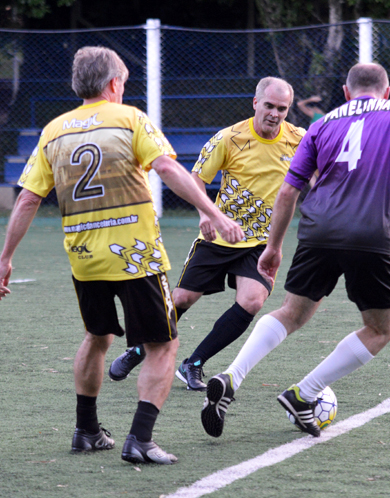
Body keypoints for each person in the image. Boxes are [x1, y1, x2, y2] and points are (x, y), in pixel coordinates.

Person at [0, 46, 243, 464]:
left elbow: (27, 201)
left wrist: (5, 260)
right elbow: (167, 169)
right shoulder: (130, 120)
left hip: (84, 257)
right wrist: (211, 210)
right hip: (135, 255)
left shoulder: (54, 131)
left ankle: (86, 430)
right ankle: (140, 439)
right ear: (113, 84)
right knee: (163, 346)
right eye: (123, 82)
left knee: (97, 336)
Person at [201, 62, 390, 438]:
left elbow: (288, 192)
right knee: (382, 328)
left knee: (291, 313)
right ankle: (304, 393)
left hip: (317, 231)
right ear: (387, 90)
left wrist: (274, 247)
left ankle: (232, 376)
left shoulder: (322, 124)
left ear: (346, 93)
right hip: (369, 233)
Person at [108, 77, 306, 391]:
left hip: (261, 243)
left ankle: (194, 363)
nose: (275, 113)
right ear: (255, 103)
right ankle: (140, 348)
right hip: (221, 235)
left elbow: (321, 176)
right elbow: (196, 179)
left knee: (253, 302)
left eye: (282, 108)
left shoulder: (300, 139)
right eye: (269, 105)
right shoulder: (229, 138)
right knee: (184, 297)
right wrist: (206, 214)